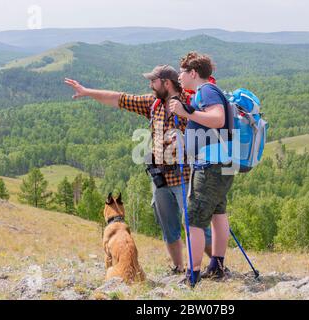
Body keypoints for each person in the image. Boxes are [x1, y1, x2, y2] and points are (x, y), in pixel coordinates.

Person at [64, 65, 212, 274]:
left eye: (153, 81)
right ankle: (179, 268)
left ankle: (216, 264)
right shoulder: (153, 104)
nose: (150, 85)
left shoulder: (189, 104)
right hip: (160, 178)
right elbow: (119, 99)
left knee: (196, 226)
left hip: (185, 176)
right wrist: (87, 92)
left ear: (166, 83)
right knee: (169, 228)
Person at [169, 52, 234, 287]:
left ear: (193, 73)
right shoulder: (205, 92)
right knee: (218, 213)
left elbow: (217, 119)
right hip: (223, 162)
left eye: (182, 72)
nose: (179, 76)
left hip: (210, 166)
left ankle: (192, 275)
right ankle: (216, 266)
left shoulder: (206, 91)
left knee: (194, 219)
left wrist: (185, 112)